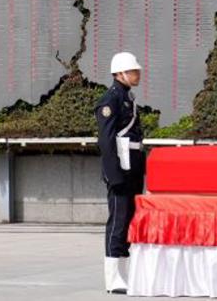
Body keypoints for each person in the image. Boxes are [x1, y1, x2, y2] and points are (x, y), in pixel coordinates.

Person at [96, 52, 145, 294]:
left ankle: (124, 274)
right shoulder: (111, 100)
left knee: (128, 220)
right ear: (119, 73)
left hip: (132, 167)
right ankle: (113, 277)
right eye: (133, 71)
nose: (137, 74)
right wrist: (113, 174)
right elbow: (106, 141)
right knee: (118, 221)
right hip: (120, 169)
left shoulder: (127, 97)